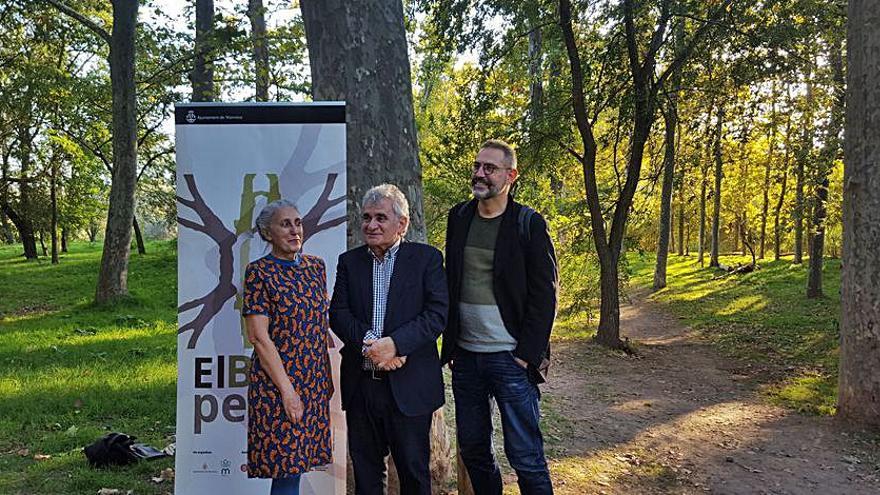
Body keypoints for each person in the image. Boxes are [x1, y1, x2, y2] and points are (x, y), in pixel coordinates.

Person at [441, 139, 558, 494]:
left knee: (526, 457)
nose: (479, 173)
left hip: (511, 358)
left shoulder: (528, 223)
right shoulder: (459, 217)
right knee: (474, 451)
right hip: (466, 358)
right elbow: (452, 279)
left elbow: (546, 293)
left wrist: (526, 353)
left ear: (511, 175)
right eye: (477, 166)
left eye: (489, 168)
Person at [329, 184, 448, 495]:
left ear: (402, 223)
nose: (371, 225)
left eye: (381, 217)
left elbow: (436, 314)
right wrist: (373, 346)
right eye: (366, 217)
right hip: (362, 384)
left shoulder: (427, 259)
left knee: (413, 473)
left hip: (410, 385)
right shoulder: (349, 262)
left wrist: (395, 345)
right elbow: (338, 313)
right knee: (366, 475)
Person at [241, 199, 334, 495]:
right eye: (285, 224)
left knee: (300, 465)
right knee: (286, 469)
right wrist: (288, 391)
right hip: (278, 384)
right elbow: (258, 337)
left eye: (298, 223)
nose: (295, 230)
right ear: (268, 233)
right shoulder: (259, 273)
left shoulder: (315, 268)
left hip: (313, 381)